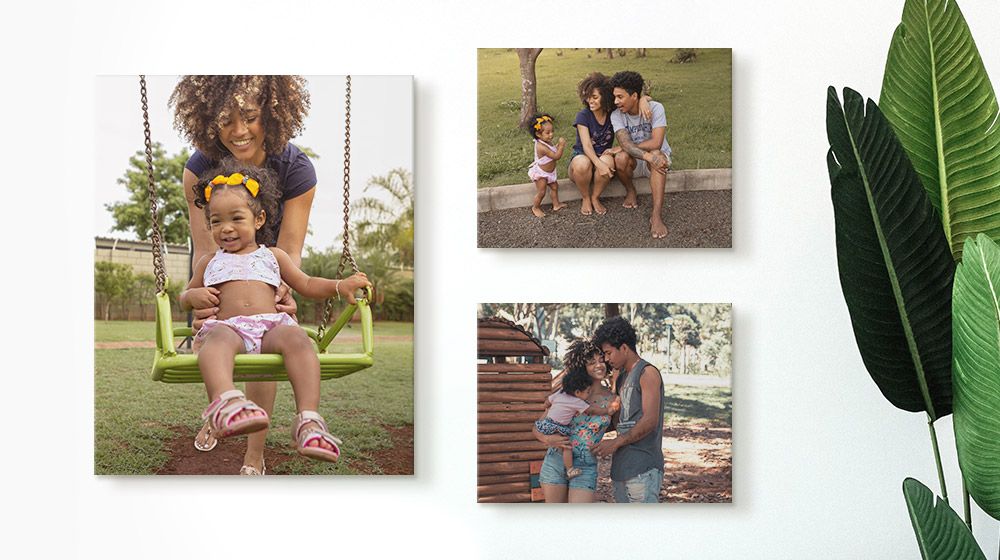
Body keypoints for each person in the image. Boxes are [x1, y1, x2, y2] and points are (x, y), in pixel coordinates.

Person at [170, 75, 316, 475]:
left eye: (250, 117)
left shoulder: (296, 170)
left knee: (265, 340)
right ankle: (224, 405)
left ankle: (255, 453)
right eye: (224, 120)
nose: (238, 131)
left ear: (270, 113)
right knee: (219, 332)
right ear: (208, 121)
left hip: (268, 254)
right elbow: (205, 247)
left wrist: (283, 287)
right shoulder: (200, 167)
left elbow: (290, 251)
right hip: (221, 258)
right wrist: (204, 294)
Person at [180, 160, 370, 463]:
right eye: (216, 221)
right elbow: (184, 297)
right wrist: (193, 295)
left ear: (259, 219)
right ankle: (226, 402)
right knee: (215, 342)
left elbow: (306, 283)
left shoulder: (273, 256)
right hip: (229, 330)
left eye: (236, 218)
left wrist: (339, 285)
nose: (226, 228)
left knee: (297, 340)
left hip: (270, 327)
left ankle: (308, 421)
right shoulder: (208, 262)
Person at [591, 316, 666, 503]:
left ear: (624, 348)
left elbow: (649, 421)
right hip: (621, 469)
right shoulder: (622, 377)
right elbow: (618, 421)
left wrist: (614, 443)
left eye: (608, 353)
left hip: (643, 468)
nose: (606, 359)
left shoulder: (647, 373)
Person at [534, 339, 618, 503]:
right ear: (582, 366)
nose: (599, 365)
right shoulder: (568, 394)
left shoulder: (613, 399)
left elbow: (616, 429)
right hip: (556, 460)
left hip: (586, 465)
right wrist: (547, 439)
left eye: (601, 360)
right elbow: (537, 427)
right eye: (592, 362)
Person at [568, 73, 652, 216]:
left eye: (595, 97)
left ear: (605, 97)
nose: (590, 101)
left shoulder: (613, 113)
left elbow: (637, 98)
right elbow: (587, 146)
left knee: (607, 160)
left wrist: (644, 99)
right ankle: (586, 197)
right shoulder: (583, 115)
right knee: (583, 163)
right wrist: (599, 165)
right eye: (588, 97)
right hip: (582, 157)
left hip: (603, 156)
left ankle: (595, 197)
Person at [609, 71, 672, 239]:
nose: (616, 101)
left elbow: (656, 142)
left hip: (655, 157)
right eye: (615, 97)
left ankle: (656, 215)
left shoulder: (656, 108)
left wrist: (627, 147)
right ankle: (630, 191)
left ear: (635, 96)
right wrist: (626, 148)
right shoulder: (616, 115)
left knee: (656, 153)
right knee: (621, 158)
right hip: (636, 160)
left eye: (620, 97)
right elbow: (624, 144)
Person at [535, 368, 619, 479]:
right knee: (567, 447)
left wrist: (548, 407)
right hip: (556, 445)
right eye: (587, 392)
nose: (588, 394)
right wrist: (607, 411)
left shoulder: (560, 393)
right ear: (578, 392)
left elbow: (546, 403)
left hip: (547, 424)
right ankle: (570, 469)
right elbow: (592, 410)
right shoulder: (577, 402)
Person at [527, 113, 567, 217]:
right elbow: (556, 156)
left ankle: (556, 204)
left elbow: (552, 150)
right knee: (541, 192)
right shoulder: (541, 147)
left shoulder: (547, 142)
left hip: (550, 173)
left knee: (554, 187)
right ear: (538, 134)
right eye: (548, 132)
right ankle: (535, 207)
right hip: (541, 174)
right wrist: (561, 146)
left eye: (552, 131)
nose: (551, 134)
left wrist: (557, 146)